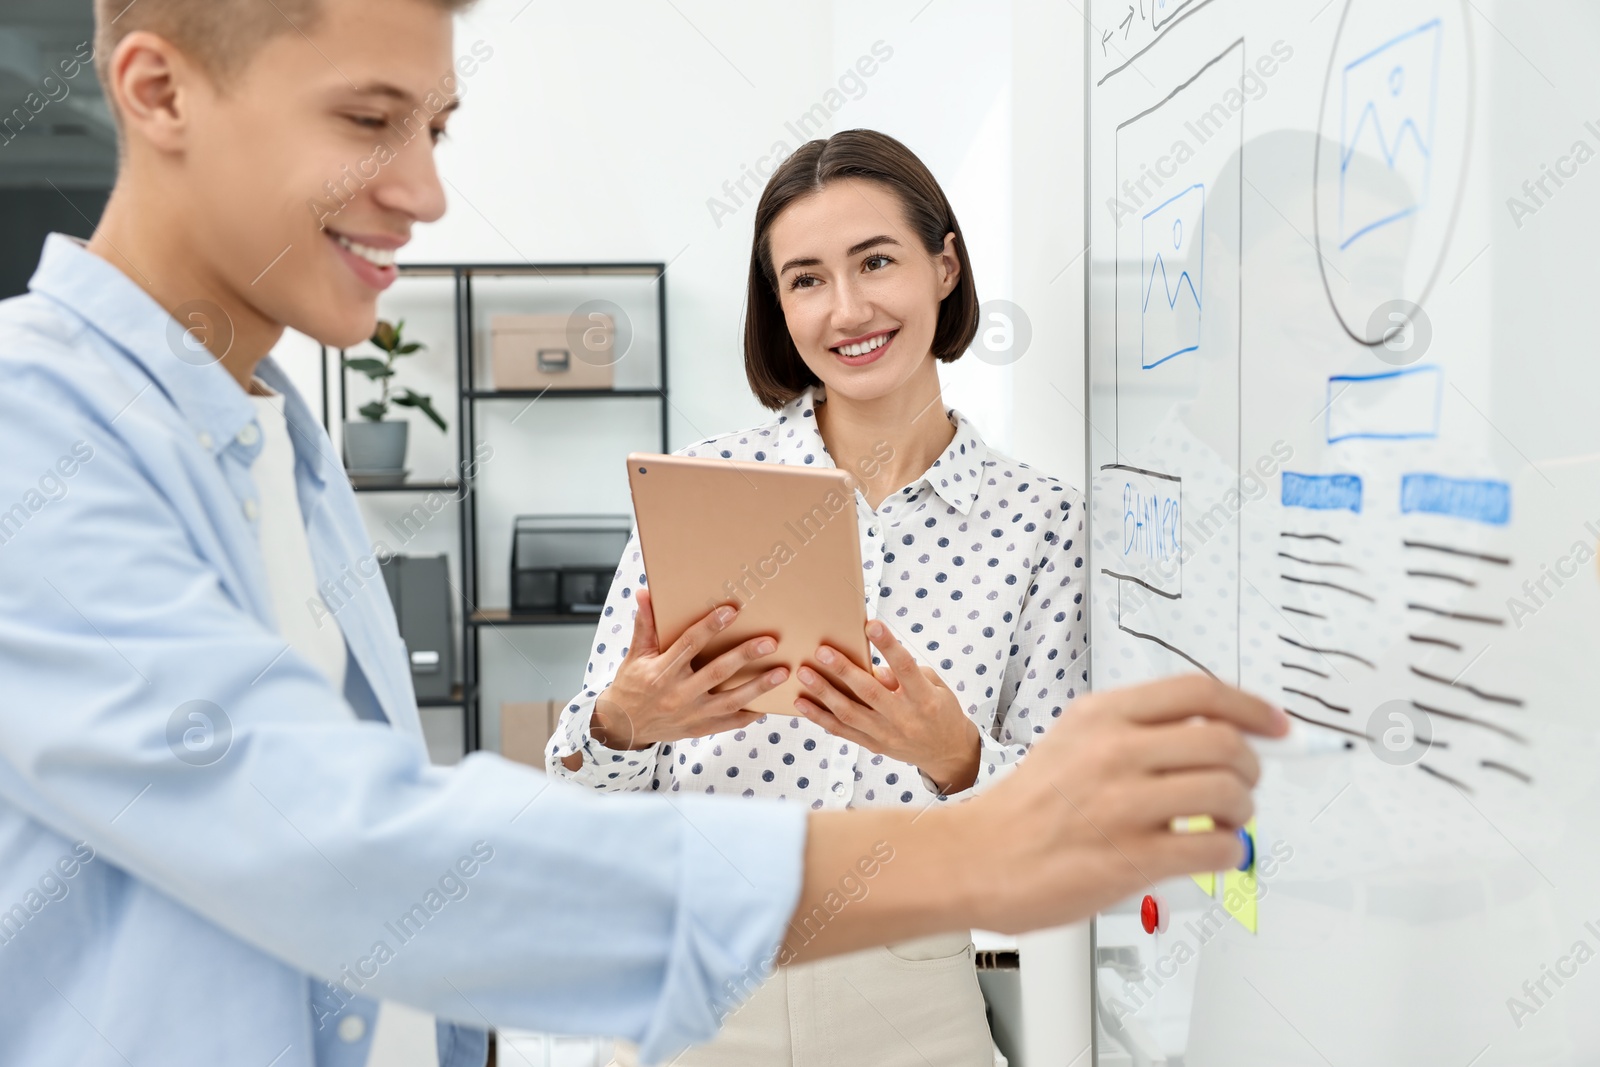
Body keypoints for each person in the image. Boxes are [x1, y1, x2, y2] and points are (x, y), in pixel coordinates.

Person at [0, 2, 1285, 1066]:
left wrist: (971, 781)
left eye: (434, 126)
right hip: (716, 994)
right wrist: (958, 841)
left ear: (945, 269)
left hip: (910, 998)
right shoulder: (31, 440)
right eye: (367, 119)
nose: (429, 189)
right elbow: (350, 846)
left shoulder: (278, 438)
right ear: (158, 93)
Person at [549, 129, 1085, 1066]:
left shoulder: (1039, 523)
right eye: (805, 278)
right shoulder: (701, 484)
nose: (847, 309)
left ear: (944, 264)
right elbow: (582, 787)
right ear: (779, 305)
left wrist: (954, 756)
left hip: (918, 1000)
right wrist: (624, 722)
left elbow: (1057, 847)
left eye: (875, 260)